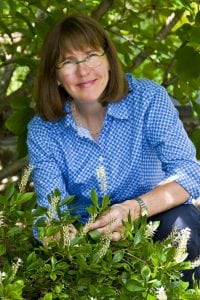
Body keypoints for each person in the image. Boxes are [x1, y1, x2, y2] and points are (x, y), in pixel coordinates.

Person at [27, 13, 200, 284]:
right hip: (90, 236)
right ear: (55, 75)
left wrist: (134, 209)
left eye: (91, 55)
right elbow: (50, 213)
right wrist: (62, 238)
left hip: (153, 218)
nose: (83, 71)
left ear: (108, 57)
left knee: (182, 221)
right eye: (68, 61)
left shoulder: (148, 98)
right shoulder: (44, 129)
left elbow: (189, 171)